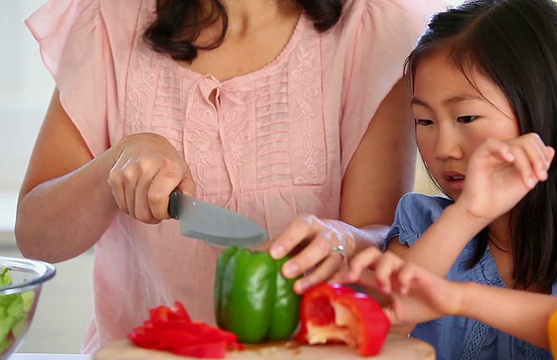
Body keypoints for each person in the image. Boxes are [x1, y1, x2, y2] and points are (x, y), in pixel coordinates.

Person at [15, 0, 445, 353]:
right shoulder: (107, 23)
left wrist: (342, 238)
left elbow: (382, 238)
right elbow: (36, 237)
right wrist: (112, 167)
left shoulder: (375, 32)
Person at [346, 0, 557, 358]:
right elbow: (378, 323)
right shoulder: (424, 226)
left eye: (466, 118)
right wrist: (468, 214)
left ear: (540, 109)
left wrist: (463, 299)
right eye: (424, 121)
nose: (443, 149)